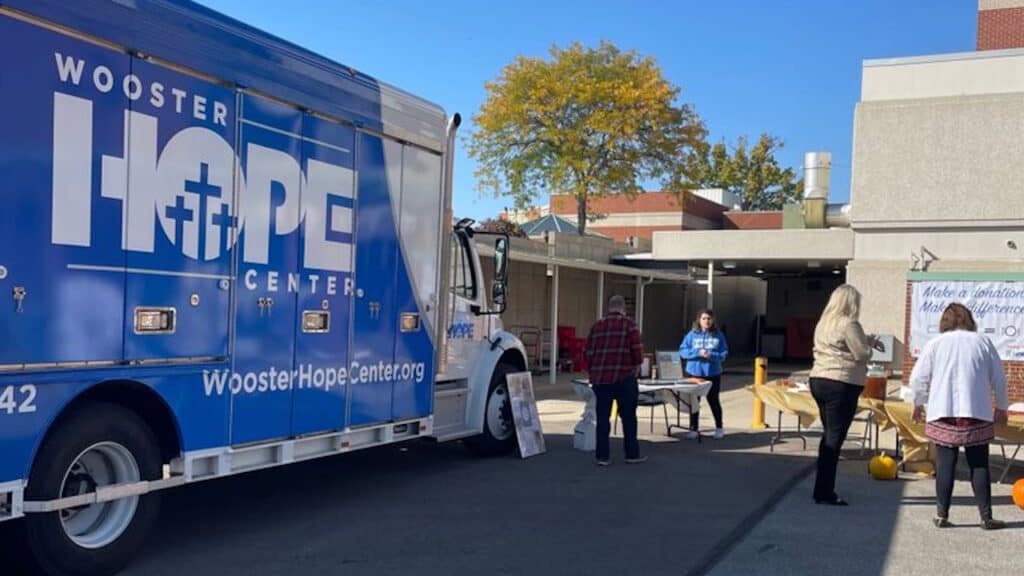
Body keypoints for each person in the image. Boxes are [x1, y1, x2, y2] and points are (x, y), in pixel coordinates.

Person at [910, 303, 1008, 530]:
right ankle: (986, 516)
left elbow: (918, 378)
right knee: (979, 464)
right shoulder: (982, 342)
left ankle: (942, 514)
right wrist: (1001, 406)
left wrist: (917, 402)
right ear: (969, 320)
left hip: (943, 411)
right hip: (976, 411)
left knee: (946, 464)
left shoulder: (935, 344)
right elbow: (999, 378)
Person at [809, 284, 883, 506]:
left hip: (819, 379)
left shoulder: (824, 323)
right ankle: (825, 492)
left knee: (828, 435)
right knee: (835, 439)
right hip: (841, 382)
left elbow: (845, 342)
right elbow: (860, 353)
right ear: (851, 303)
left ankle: (820, 487)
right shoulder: (849, 323)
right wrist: (870, 349)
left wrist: (867, 339)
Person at [584, 295, 647, 466]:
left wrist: (594, 372)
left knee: (603, 418)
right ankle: (631, 454)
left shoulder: (597, 326)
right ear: (623, 308)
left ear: (609, 308)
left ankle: (602, 456)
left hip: (601, 379)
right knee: (628, 417)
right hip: (624, 377)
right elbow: (637, 353)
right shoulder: (630, 326)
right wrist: (636, 365)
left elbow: (588, 352)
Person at [679, 309, 729, 439]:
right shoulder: (691, 335)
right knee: (694, 402)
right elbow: (683, 352)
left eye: (709, 319)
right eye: (704, 318)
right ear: (699, 320)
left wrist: (711, 355)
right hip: (695, 373)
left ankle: (719, 428)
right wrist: (697, 353)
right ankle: (693, 428)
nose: (707, 321)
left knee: (714, 401)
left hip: (713, 373)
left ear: (713, 320)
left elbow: (723, 354)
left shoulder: (718, 335)